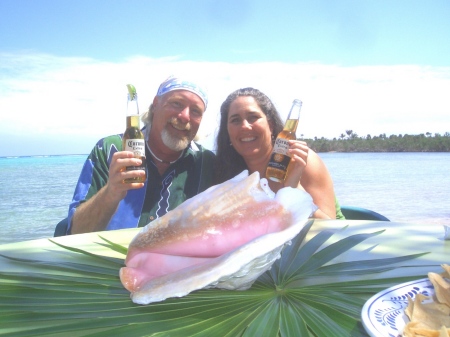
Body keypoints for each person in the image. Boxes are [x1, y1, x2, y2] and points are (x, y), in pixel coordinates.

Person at [67, 76, 215, 234]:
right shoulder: (111, 149)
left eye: (195, 111)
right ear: (155, 105)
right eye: (176, 103)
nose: (185, 116)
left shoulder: (206, 163)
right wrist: (111, 193)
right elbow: (75, 232)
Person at [214, 87, 344, 219]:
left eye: (253, 117)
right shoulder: (228, 174)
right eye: (235, 120)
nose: (245, 126)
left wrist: (294, 190)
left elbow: (329, 227)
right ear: (228, 132)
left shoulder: (299, 161)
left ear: (270, 125)